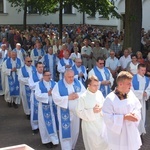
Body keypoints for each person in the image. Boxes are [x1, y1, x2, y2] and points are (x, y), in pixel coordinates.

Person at [102, 71, 142, 150]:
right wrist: (124, 117)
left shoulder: (131, 94)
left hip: (131, 132)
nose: (131, 86)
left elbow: (137, 107)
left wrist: (135, 114)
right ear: (120, 84)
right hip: (118, 136)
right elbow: (107, 118)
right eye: (128, 83)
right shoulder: (109, 99)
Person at [52, 69, 86, 150]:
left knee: (75, 131)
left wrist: (77, 95)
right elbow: (55, 98)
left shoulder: (77, 82)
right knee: (65, 133)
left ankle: (72, 147)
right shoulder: (58, 85)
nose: (71, 79)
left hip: (76, 112)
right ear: (64, 76)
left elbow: (84, 93)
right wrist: (68, 97)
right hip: (64, 112)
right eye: (69, 77)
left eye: (72, 77)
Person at [76, 75, 109, 150]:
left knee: (104, 144)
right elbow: (79, 112)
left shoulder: (99, 93)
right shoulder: (83, 97)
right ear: (89, 85)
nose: (97, 87)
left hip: (100, 123)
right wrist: (92, 111)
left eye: (97, 85)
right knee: (92, 146)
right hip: (89, 126)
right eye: (94, 85)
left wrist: (101, 108)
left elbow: (104, 104)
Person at [35, 70, 59, 148]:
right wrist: (47, 94)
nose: (49, 77)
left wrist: (54, 93)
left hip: (53, 107)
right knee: (44, 124)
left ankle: (54, 140)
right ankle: (46, 140)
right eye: (47, 75)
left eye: (50, 75)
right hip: (43, 108)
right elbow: (37, 95)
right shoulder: (39, 84)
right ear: (43, 76)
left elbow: (59, 92)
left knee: (53, 123)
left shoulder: (54, 83)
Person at [131, 64, 150, 136]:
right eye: (142, 70)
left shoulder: (147, 79)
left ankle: (141, 132)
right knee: (136, 115)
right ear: (138, 70)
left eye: (144, 70)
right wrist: (142, 93)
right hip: (134, 101)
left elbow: (149, 89)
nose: (143, 72)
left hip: (143, 101)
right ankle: (136, 133)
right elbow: (131, 90)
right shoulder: (132, 79)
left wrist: (146, 93)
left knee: (142, 115)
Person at [28, 62, 43, 133]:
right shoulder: (32, 75)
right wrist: (40, 82)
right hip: (35, 96)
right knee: (35, 111)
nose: (41, 68)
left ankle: (41, 125)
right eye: (39, 67)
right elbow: (31, 86)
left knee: (42, 111)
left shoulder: (45, 74)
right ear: (36, 68)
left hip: (43, 96)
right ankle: (35, 126)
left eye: (42, 67)